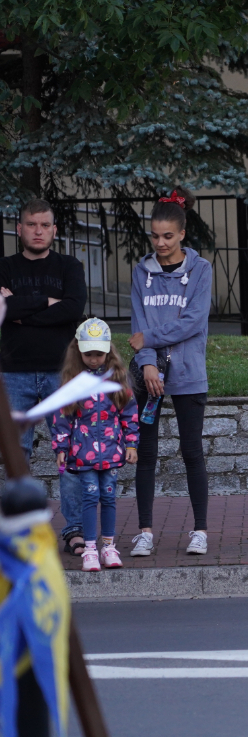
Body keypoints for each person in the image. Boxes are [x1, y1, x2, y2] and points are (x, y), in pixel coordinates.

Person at [0, 199, 87, 555]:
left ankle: (76, 530)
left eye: (45, 225)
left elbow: (73, 307)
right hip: (12, 373)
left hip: (60, 372)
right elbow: (5, 312)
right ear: (19, 229)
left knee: (67, 453)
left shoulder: (69, 266)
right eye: (31, 224)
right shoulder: (3, 267)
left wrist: (21, 306)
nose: (38, 230)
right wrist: (47, 302)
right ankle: (18, 533)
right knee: (15, 456)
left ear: (54, 230)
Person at [128, 190, 212, 557]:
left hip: (188, 373)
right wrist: (147, 361)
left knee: (192, 451)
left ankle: (200, 531)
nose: (160, 243)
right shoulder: (140, 272)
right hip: (148, 375)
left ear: (181, 234)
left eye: (167, 236)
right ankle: (145, 531)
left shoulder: (201, 270)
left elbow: (192, 323)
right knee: (145, 454)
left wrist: (149, 338)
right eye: (155, 236)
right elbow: (137, 323)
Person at [52, 319, 138, 572]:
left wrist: (131, 444)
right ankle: (90, 548)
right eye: (88, 354)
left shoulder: (118, 380)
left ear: (107, 351)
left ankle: (109, 546)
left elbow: (129, 414)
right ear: (79, 351)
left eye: (98, 354)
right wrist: (61, 447)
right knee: (89, 497)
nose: (93, 359)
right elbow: (62, 417)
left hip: (112, 452)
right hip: (83, 454)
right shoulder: (73, 382)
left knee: (109, 497)